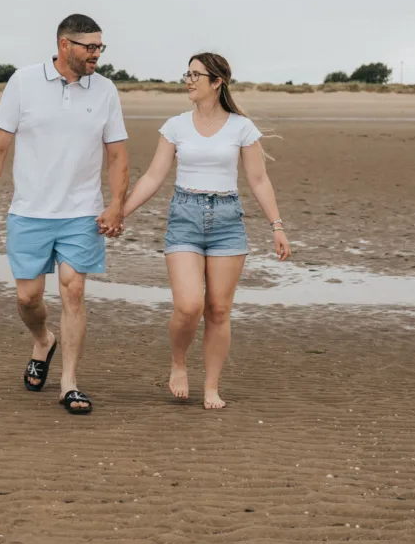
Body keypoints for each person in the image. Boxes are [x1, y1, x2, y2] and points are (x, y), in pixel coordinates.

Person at [0, 14, 129, 415]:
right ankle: (43, 339)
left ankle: (69, 384)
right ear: (64, 45)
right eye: (89, 47)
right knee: (28, 298)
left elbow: (117, 155)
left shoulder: (106, 90)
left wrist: (115, 204)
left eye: (100, 47)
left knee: (73, 291)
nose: (96, 54)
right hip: (30, 211)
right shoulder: (22, 82)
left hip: (81, 212)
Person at [122, 52, 290, 409]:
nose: (189, 80)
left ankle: (211, 386)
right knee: (188, 306)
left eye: (197, 75)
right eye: (187, 73)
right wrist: (119, 212)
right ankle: (178, 363)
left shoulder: (241, 128)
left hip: (227, 221)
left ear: (217, 82)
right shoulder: (176, 126)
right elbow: (153, 176)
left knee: (218, 310)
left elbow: (258, 180)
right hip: (185, 216)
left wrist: (277, 226)